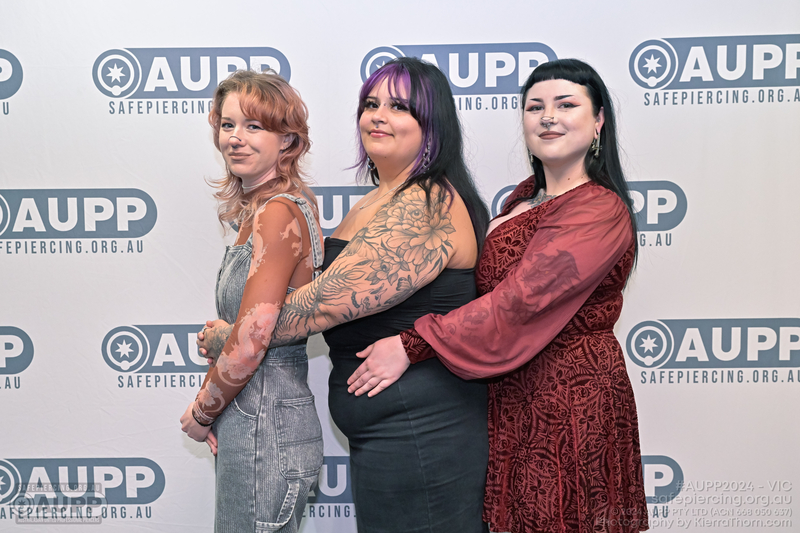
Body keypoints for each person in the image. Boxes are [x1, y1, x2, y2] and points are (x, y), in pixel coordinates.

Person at [347, 59, 649, 533]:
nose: (548, 117)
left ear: (598, 122)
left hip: (569, 403)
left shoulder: (598, 207)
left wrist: (410, 344)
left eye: (566, 105)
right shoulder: (520, 200)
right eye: (535, 107)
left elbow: (520, 302)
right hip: (506, 401)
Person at [199, 57, 492, 533]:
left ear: (433, 124)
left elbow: (322, 305)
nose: (378, 116)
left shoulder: (427, 202)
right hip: (386, 433)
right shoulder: (375, 201)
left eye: (399, 107)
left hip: (422, 432)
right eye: (370, 104)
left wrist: (233, 337)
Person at [179, 70, 324, 533]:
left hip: (263, 421)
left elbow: (251, 340)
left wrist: (202, 412)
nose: (235, 138)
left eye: (254, 126)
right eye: (228, 124)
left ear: (287, 140)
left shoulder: (277, 212)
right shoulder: (264, 208)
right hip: (257, 415)